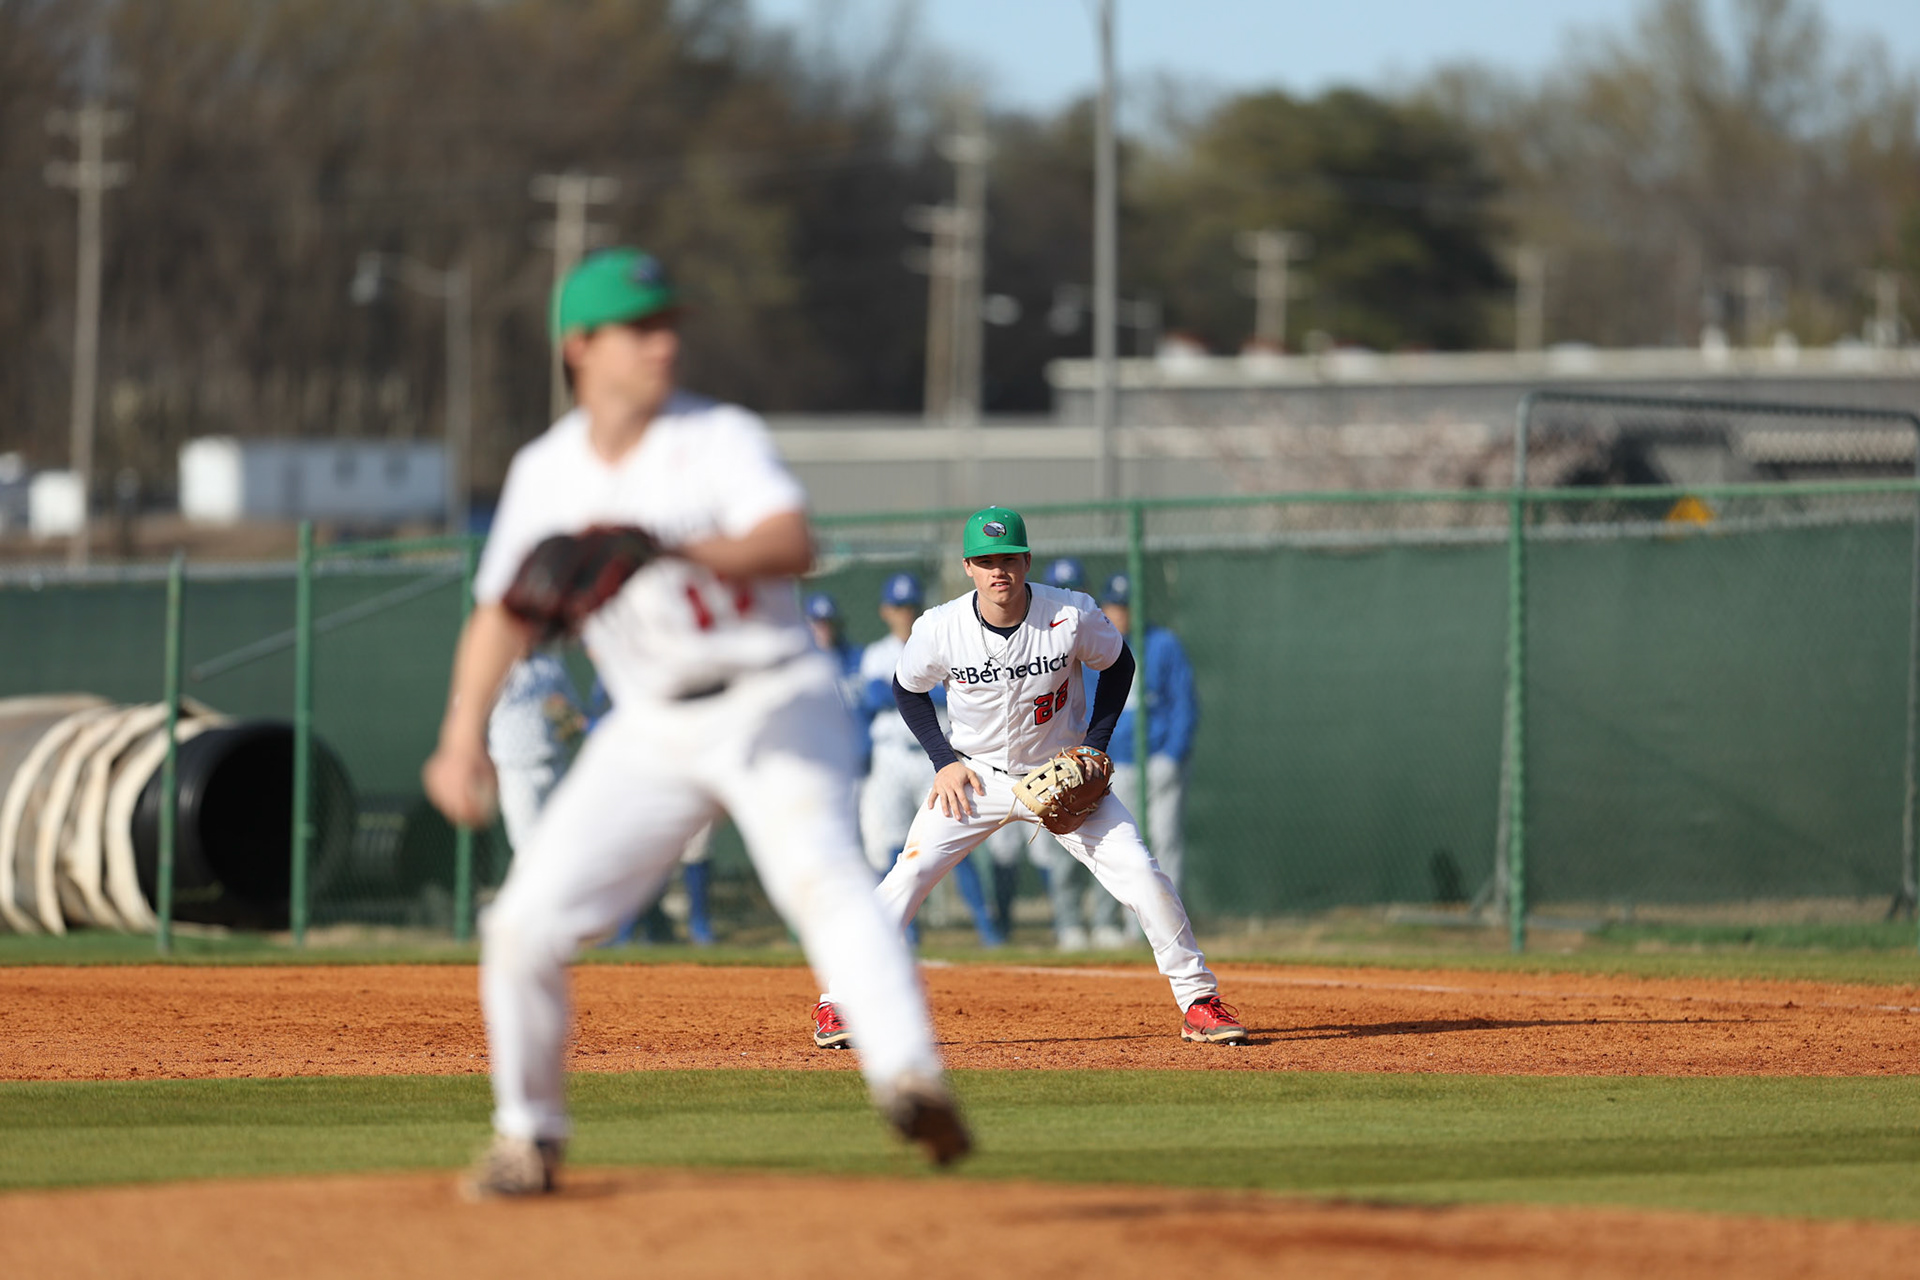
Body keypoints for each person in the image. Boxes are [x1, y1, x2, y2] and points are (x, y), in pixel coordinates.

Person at [423, 247, 967, 1198]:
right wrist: (462, 732)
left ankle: (910, 1075)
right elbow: (503, 611)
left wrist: (666, 543)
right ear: (580, 346)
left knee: (826, 881)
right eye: (641, 328)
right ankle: (529, 1138)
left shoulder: (716, 436)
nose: (664, 343)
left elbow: (793, 542)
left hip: (773, 699)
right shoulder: (544, 472)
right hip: (648, 727)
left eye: (670, 323)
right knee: (521, 926)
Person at [810, 507, 1245, 1050]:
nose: (999, 571)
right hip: (977, 777)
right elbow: (906, 688)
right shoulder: (941, 627)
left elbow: (1118, 665)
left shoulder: (1071, 613)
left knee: (1141, 871)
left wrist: (1094, 746)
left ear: (1026, 561)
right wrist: (943, 760)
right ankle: (838, 1002)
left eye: (1009, 559)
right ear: (968, 567)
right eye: (986, 561)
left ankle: (1199, 1002)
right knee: (907, 877)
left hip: (1062, 775)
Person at [857, 572, 1003, 947]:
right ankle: (907, 936)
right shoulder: (876, 652)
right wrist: (925, 689)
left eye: (910, 605)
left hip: (935, 757)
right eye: (897, 606)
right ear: (885, 611)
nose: (904, 613)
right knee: (895, 845)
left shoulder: (937, 640)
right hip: (889, 756)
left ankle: (988, 930)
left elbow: (915, 692)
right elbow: (876, 696)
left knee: (955, 842)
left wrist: (913, 688)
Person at [1085, 571, 1199, 945]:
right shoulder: (1095, 648)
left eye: (1127, 605)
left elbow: (1184, 703)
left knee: (1165, 841)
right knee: (1114, 845)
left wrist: (1173, 754)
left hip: (1159, 760)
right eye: (1114, 605)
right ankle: (1115, 925)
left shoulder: (1163, 644)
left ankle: (1167, 925)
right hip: (1114, 765)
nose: (1121, 613)